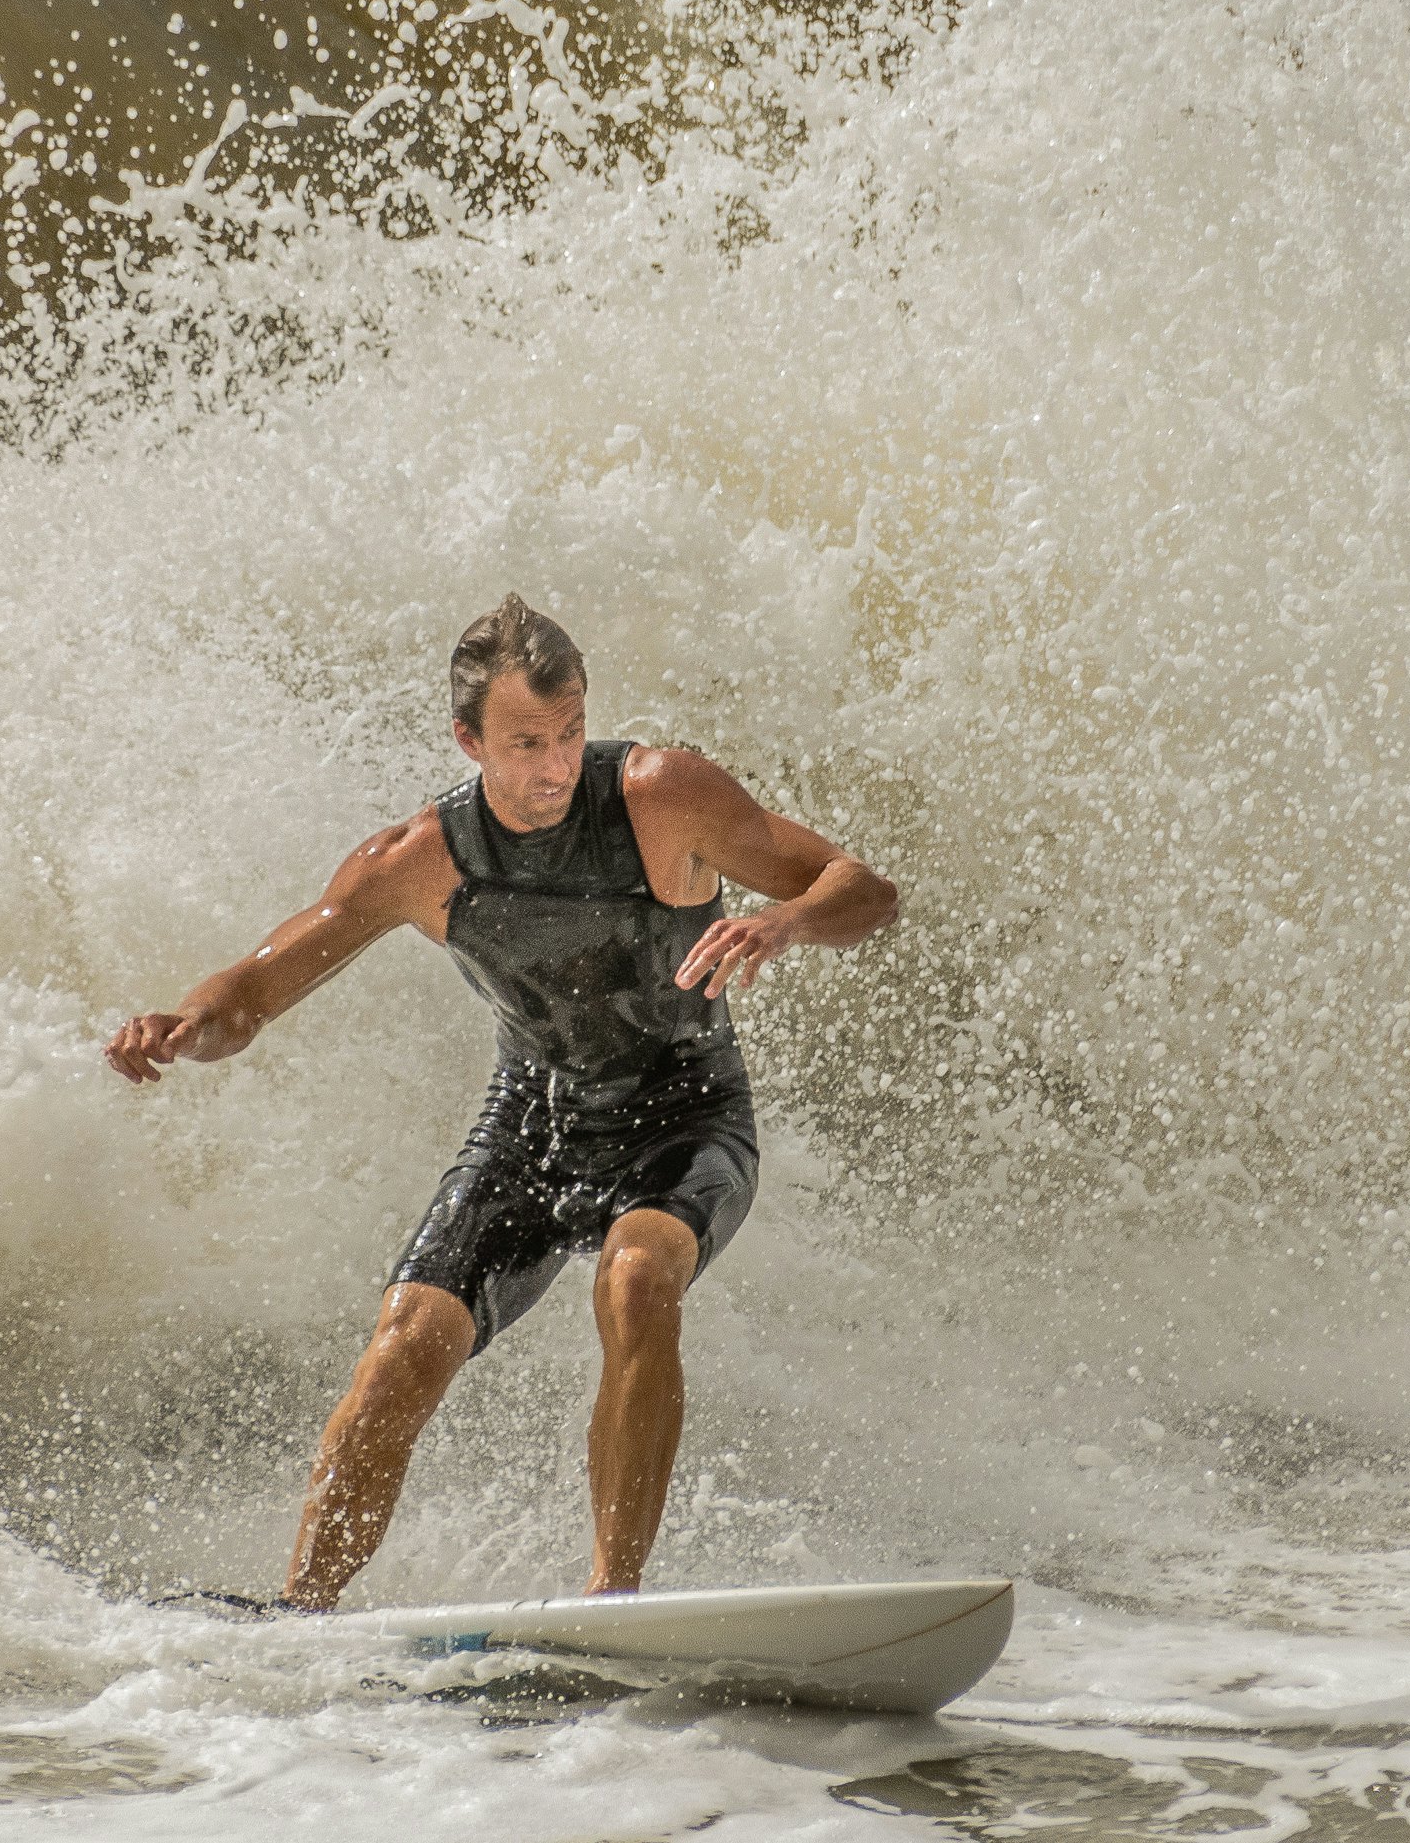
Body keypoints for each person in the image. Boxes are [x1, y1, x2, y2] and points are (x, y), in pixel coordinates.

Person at [105, 595, 900, 1607]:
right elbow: (256, 988)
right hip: (533, 1128)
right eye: (528, 742)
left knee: (637, 1282)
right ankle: (301, 1611)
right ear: (468, 738)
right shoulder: (419, 860)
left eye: (570, 733)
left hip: (685, 1116)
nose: (557, 765)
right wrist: (179, 1027)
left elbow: (863, 889)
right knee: (404, 1345)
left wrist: (783, 922)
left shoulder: (663, 794)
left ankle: (613, 1603)